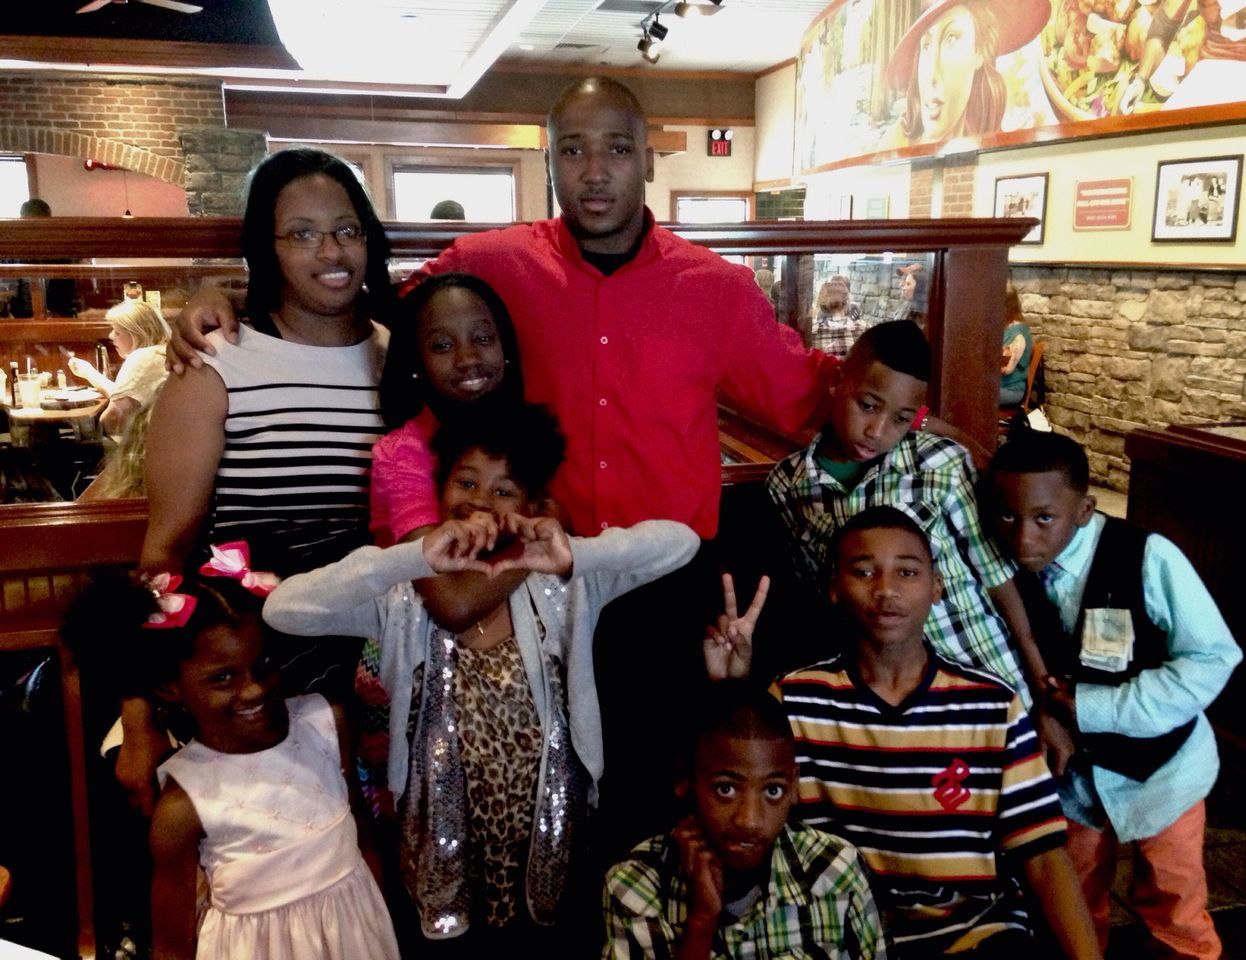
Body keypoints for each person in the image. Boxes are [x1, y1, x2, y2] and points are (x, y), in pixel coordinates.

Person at [169, 76, 836, 853]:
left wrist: (909, 406)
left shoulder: (716, 288)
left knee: (666, 800)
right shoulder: (493, 262)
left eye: (616, 149)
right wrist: (221, 300)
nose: (594, 172)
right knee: (554, 807)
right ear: (550, 163)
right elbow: (375, 304)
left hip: (666, 589)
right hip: (526, 594)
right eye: (573, 151)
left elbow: (804, 398)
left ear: (646, 161)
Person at [262, 404, 700, 951]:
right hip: (439, 827)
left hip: (549, 823)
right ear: (440, 489)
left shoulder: (562, 585)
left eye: (504, 490)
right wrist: (409, 556)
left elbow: (680, 542)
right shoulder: (406, 597)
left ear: (531, 506)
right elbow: (284, 608)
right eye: (465, 481)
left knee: (545, 940)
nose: (479, 500)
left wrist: (571, 550)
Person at [119, 147, 395, 816]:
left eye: (346, 229)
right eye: (301, 233)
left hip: (380, 668)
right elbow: (164, 553)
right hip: (260, 676)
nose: (329, 249)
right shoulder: (218, 364)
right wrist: (138, 719)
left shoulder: (400, 356)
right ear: (266, 249)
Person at [708, 508, 1101, 959]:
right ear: (834, 588)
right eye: (863, 571)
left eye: (908, 571)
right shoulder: (796, 699)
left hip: (973, 934)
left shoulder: (991, 704)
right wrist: (729, 687)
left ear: (937, 588)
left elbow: (1045, 856)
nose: (886, 589)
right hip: (836, 932)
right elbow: (740, 809)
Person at [986, 432, 1241, 959]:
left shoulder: (1147, 558)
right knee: (1073, 899)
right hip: (1076, 779)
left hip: (1163, 772)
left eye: (1043, 519)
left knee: (1175, 900)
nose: (1022, 539)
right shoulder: (1000, 569)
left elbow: (1212, 658)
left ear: (1083, 510)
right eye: (1007, 517)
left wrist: (1096, 708)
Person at [62, 568, 399, 960]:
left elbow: (362, 842)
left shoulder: (326, 724)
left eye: (263, 664)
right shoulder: (183, 806)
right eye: (223, 677)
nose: (254, 688)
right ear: (170, 687)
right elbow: (172, 945)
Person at [766, 320, 1046, 711]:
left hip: (982, 673)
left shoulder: (940, 464)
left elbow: (996, 580)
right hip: (880, 698)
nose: (877, 431)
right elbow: (821, 600)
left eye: (900, 419)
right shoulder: (789, 485)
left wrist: (1043, 693)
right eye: (867, 405)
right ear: (839, 380)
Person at [602, 681, 887, 960]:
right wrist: (701, 923)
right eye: (726, 789)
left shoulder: (835, 871)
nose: (750, 820)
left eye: (773, 791)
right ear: (685, 779)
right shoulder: (635, 886)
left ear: (794, 786)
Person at [371, 272, 524, 547]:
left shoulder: (528, 431)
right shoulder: (405, 452)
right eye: (443, 346)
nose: (467, 358)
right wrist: (537, 538)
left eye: (483, 338)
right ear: (417, 361)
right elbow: (442, 586)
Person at [878, 0, 1051, 149]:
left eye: (951, 39)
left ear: (979, 52)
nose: (932, 74)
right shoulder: (894, 144)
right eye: (926, 45)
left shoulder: (997, 147)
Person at [69, 299, 170, 441]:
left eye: (117, 332)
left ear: (136, 334)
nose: (110, 336)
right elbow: (126, 396)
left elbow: (115, 416)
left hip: (147, 448)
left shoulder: (142, 357)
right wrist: (89, 373)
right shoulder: (161, 353)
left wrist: (92, 432)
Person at [7, 198, 79, 318]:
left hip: (57, 318)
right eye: (29, 227)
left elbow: (67, 294)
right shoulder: (12, 252)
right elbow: (10, 293)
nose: (33, 233)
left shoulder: (60, 253)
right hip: (20, 319)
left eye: (37, 227)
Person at [999, 283, 1033, 406]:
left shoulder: (1017, 334)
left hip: (1011, 391)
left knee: (969, 394)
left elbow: (1006, 369)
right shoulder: (1007, 327)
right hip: (998, 388)